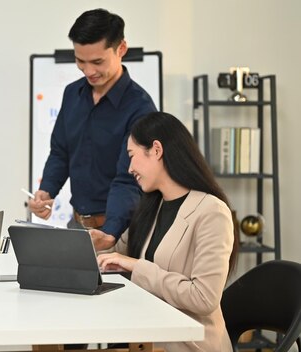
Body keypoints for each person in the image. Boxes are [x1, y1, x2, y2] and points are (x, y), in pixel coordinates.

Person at [97, 112, 239, 351]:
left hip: (188, 345)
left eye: (132, 156)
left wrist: (137, 266)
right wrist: (97, 243)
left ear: (156, 149)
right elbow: (119, 255)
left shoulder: (212, 212)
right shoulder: (152, 206)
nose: (129, 168)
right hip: (149, 337)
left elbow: (203, 298)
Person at [28, 8, 157, 250]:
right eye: (80, 61)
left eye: (97, 62)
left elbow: (128, 179)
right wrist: (47, 191)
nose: (88, 71)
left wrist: (109, 234)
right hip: (76, 225)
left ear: (121, 49)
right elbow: (61, 152)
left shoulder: (140, 108)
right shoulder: (72, 94)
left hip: (120, 232)